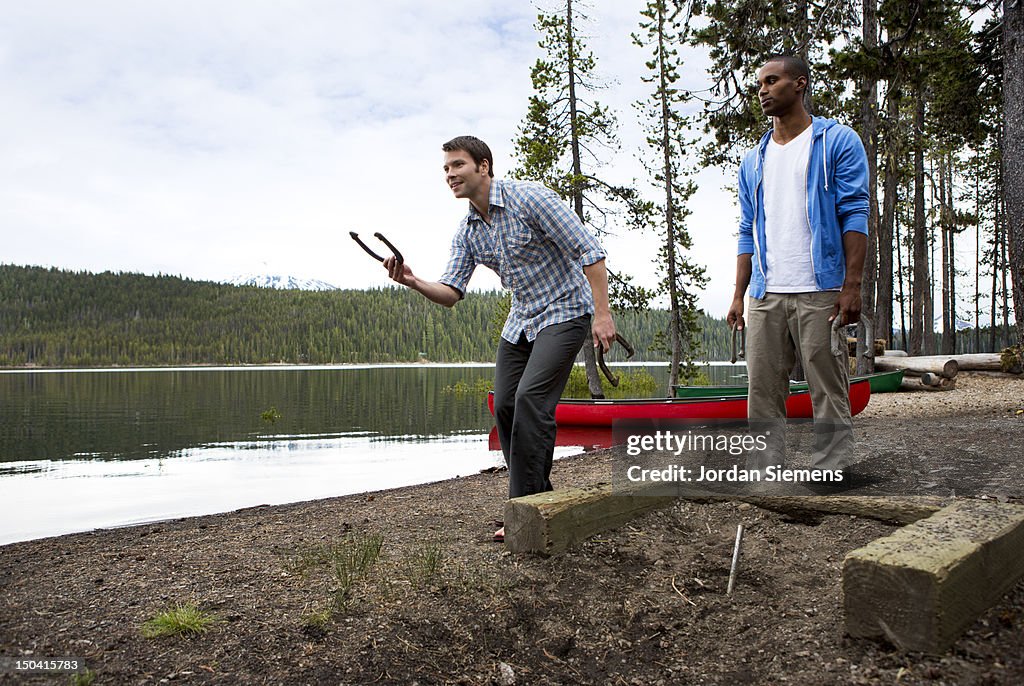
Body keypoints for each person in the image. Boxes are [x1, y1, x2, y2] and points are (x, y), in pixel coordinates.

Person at [383, 135, 616, 540]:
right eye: (445, 169)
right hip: (522, 319)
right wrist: (413, 281)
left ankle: (521, 507)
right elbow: (451, 293)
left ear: (483, 166)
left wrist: (602, 314)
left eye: (457, 165)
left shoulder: (531, 199)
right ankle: (537, 496)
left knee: (531, 401)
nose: (450, 175)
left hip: (565, 311)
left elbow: (590, 251)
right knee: (506, 404)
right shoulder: (469, 231)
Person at [725, 55, 869, 483]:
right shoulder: (753, 162)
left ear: (799, 84)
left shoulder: (837, 141)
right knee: (763, 390)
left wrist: (852, 285)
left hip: (821, 289)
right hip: (767, 294)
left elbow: (855, 213)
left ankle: (831, 471)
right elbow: (747, 230)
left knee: (828, 386)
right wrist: (738, 293)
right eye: (758, 85)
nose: (763, 91)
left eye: (773, 81)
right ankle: (765, 473)